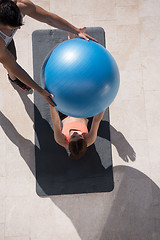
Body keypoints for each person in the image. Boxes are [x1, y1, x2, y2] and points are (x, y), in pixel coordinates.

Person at [0, 0, 97, 106]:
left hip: (4, 41)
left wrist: (76, 31)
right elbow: (14, 67)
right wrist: (41, 91)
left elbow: (48, 18)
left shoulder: (22, 5)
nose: (18, 28)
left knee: (12, 58)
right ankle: (14, 77)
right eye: (13, 27)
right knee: (9, 61)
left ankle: (13, 78)